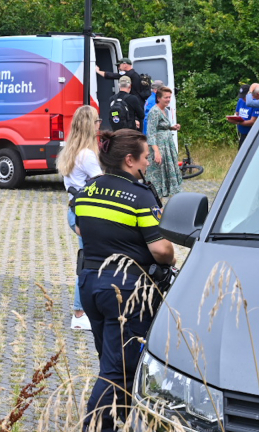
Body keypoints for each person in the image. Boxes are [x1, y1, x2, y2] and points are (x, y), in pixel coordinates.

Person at [75, 128, 176, 432]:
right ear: (130, 160)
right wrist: (172, 254)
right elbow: (160, 249)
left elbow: (80, 229)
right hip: (125, 293)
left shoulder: (87, 189)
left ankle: (117, 422)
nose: (148, 164)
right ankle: (98, 427)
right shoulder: (140, 195)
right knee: (119, 371)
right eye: (145, 158)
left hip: (90, 284)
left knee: (110, 362)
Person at [56, 105, 103, 330]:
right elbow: (101, 183)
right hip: (87, 215)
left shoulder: (70, 150)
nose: (99, 124)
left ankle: (84, 310)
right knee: (88, 264)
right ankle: (79, 313)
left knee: (87, 260)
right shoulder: (87, 155)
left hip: (75, 212)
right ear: (88, 125)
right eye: (96, 121)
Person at [145, 86, 182, 197]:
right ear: (159, 98)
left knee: (167, 170)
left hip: (167, 145)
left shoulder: (165, 110)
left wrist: (172, 127)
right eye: (166, 97)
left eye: (169, 97)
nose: (168, 99)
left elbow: (161, 126)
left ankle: (167, 193)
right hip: (159, 146)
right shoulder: (154, 111)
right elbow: (151, 132)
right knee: (157, 173)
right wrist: (156, 151)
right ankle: (156, 199)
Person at [227, 84, 259, 149]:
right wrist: (233, 118)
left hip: (252, 135)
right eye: (241, 96)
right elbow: (237, 113)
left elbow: (253, 122)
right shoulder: (241, 101)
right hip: (243, 134)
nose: (243, 98)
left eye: (244, 96)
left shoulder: (256, 103)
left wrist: (238, 123)